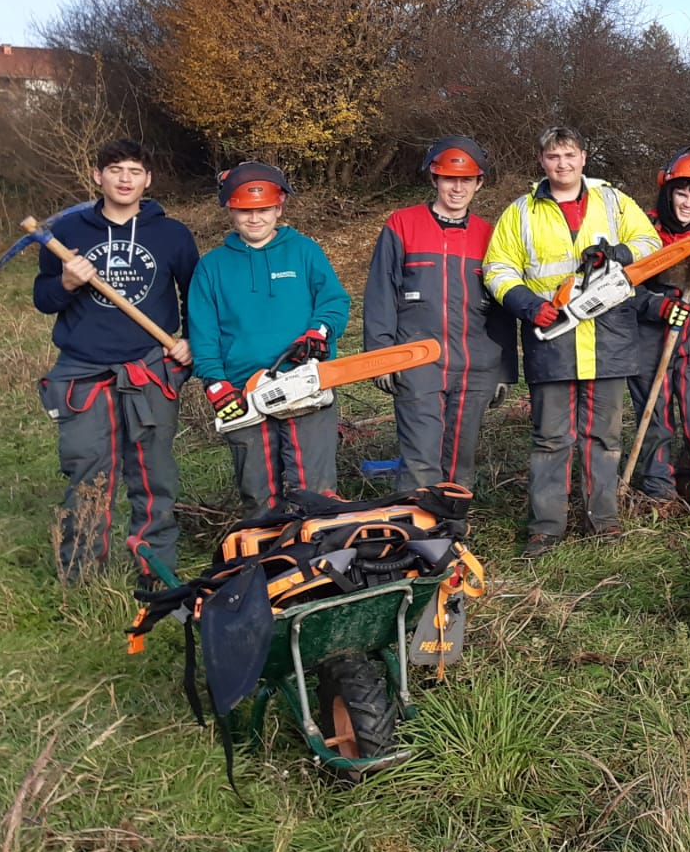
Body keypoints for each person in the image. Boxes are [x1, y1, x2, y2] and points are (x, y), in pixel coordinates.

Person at [483, 126, 662, 558]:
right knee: (550, 437)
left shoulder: (613, 201)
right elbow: (497, 269)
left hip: (609, 336)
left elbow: (650, 243)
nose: (562, 164)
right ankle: (546, 525)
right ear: (541, 161)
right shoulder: (521, 211)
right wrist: (527, 304)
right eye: (552, 156)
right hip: (552, 336)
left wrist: (617, 253)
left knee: (604, 436)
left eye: (569, 155)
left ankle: (604, 519)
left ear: (583, 157)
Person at [33, 139, 199, 581]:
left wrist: (189, 341)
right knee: (86, 471)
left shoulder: (172, 235)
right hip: (83, 371)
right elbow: (42, 298)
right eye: (115, 169)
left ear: (149, 180)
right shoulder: (68, 234)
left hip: (149, 367)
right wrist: (66, 281)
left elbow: (196, 297)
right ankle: (81, 576)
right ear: (97, 176)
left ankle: (155, 570)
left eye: (134, 171)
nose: (125, 179)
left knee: (153, 474)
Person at [190, 162, 351, 520]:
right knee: (257, 491)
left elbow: (335, 301)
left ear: (278, 208)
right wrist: (215, 383)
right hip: (243, 390)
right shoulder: (211, 268)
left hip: (305, 381)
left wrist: (320, 331)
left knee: (314, 489)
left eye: (263, 210)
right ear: (230, 210)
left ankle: (318, 560)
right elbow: (203, 333)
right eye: (245, 211)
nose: (255, 219)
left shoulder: (304, 252)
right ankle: (267, 562)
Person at [363, 137, 517, 494]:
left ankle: (450, 533)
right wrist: (381, 357)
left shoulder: (489, 236)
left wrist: (504, 370)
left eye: (466, 180)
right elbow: (380, 293)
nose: (457, 187)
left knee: (460, 461)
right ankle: (416, 537)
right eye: (449, 178)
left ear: (479, 183)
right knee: (421, 458)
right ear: (434, 179)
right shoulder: (402, 225)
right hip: (418, 361)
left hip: (475, 366)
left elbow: (502, 307)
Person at [622, 146, 690, 522]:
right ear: (666, 191)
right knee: (655, 417)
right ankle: (658, 493)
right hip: (649, 333)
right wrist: (658, 307)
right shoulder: (642, 229)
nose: (688, 202)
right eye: (681, 193)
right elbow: (623, 287)